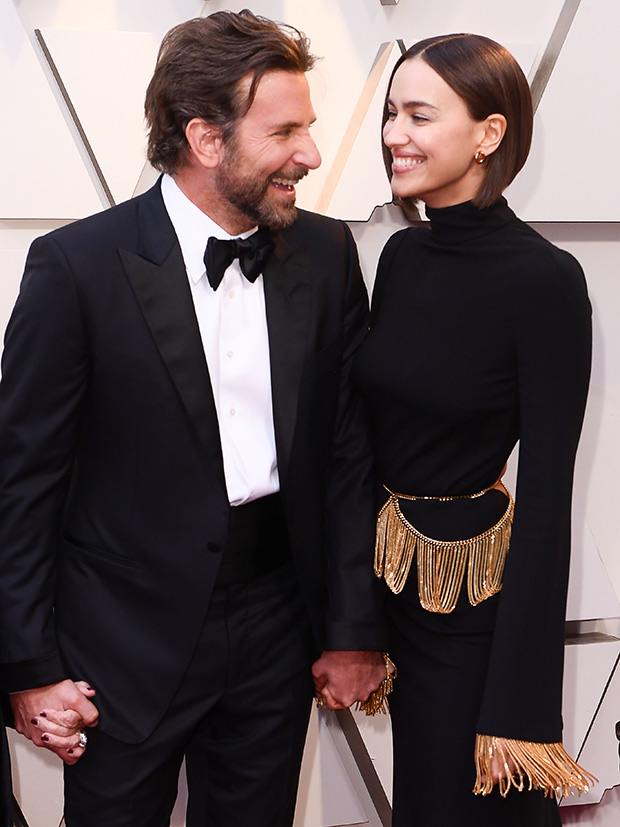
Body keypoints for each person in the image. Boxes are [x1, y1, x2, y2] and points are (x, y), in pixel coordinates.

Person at [0, 11, 388, 826]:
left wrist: (352, 627)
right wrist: (29, 663)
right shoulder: (75, 267)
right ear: (206, 139)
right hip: (118, 645)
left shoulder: (326, 256)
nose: (311, 155)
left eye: (309, 129)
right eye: (285, 131)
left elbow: (350, 454)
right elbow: (21, 482)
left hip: (276, 625)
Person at [354, 33, 595, 826]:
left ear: (489, 134)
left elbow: (552, 494)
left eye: (419, 114)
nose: (395, 133)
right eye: (392, 113)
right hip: (388, 599)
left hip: (474, 625)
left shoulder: (546, 282)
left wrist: (521, 707)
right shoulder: (400, 256)